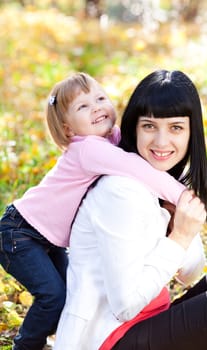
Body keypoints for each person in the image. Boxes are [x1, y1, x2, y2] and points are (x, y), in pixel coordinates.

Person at [0, 72, 186, 350]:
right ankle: (26, 346)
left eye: (100, 98)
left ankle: (55, 335)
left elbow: (138, 154)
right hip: (20, 233)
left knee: (69, 296)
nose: (97, 107)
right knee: (53, 296)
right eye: (83, 107)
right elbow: (137, 168)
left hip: (44, 237)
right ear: (68, 130)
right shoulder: (88, 150)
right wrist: (183, 197)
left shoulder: (108, 140)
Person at [53, 69, 207, 350]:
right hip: (110, 340)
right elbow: (126, 306)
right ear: (133, 128)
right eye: (149, 126)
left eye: (175, 127)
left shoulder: (160, 186)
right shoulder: (119, 192)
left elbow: (189, 275)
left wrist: (179, 226)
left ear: (191, 133)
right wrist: (180, 238)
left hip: (147, 325)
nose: (161, 142)